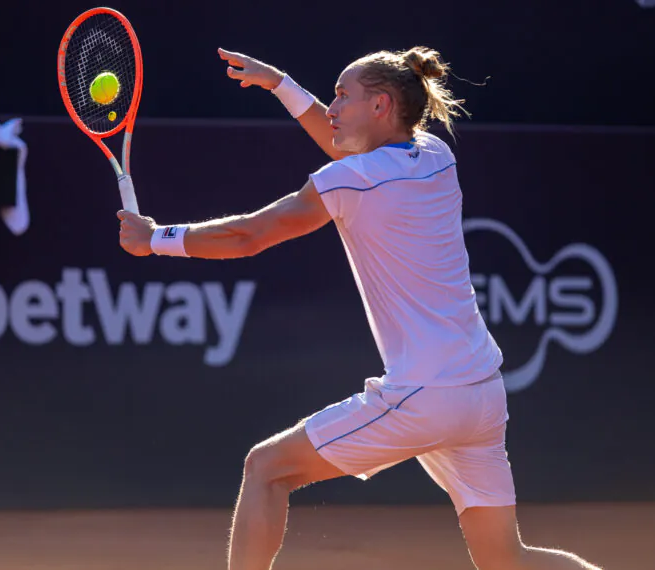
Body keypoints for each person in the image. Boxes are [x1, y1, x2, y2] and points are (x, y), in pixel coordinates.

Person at [117, 46, 603, 570]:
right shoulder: (437, 155)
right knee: (507, 559)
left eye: (342, 96)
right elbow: (344, 146)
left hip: (426, 393)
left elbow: (248, 236)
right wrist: (280, 83)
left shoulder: (353, 179)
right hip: (482, 393)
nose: (332, 106)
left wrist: (157, 239)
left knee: (266, 469)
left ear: (381, 105)